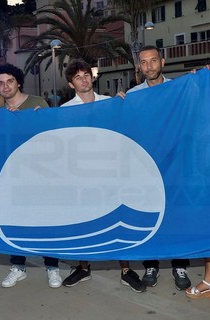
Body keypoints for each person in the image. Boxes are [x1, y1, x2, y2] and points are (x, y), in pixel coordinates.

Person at [60, 59, 146, 293]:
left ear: (92, 76)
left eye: (86, 74)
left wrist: (125, 105)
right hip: (81, 178)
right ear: (71, 84)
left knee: (117, 221)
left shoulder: (111, 103)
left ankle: (126, 270)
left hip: (111, 174)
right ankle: (83, 267)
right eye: (78, 77)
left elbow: (128, 129)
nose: (84, 79)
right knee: (84, 223)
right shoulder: (65, 110)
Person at [119, 45, 191, 291]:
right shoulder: (133, 96)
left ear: (162, 61)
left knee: (176, 214)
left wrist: (200, 81)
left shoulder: (177, 89)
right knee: (151, 213)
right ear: (138, 66)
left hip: (175, 164)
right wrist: (117, 107)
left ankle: (179, 264)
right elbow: (126, 128)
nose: (148, 66)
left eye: (153, 60)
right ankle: (151, 264)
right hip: (146, 167)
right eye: (143, 62)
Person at [0, 63, 62, 288]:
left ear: (18, 82)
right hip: (12, 178)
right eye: (1, 83)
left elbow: (52, 137)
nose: (5, 86)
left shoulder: (37, 104)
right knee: (15, 221)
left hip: (40, 176)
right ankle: (18, 266)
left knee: (46, 221)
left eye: (9, 81)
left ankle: (52, 267)